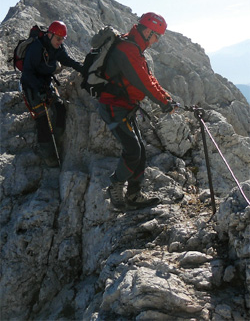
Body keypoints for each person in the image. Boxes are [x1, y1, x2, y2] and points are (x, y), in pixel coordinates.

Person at [98, 12, 177, 211]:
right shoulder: (127, 49)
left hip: (124, 107)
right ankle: (115, 187)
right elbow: (142, 83)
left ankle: (134, 195)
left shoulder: (135, 47)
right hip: (113, 106)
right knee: (133, 150)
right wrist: (163, 102)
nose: (157, 41)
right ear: (148, 31)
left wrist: (166, 98)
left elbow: (149, 79)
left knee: (139, 150)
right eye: (157, 36)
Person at [21, 20, 84, 167]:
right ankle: (48, 156)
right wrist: (38, 90)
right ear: (50, 34)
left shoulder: (58, 48)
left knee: (60, 108)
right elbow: (27, 73)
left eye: (62, 39)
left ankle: (57, 141)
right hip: (31, 84)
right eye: (58, 38)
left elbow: (68, 60)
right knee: (42, 119)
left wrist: (83, 68)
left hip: (45, 82)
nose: (60, 42)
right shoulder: (36, 47)